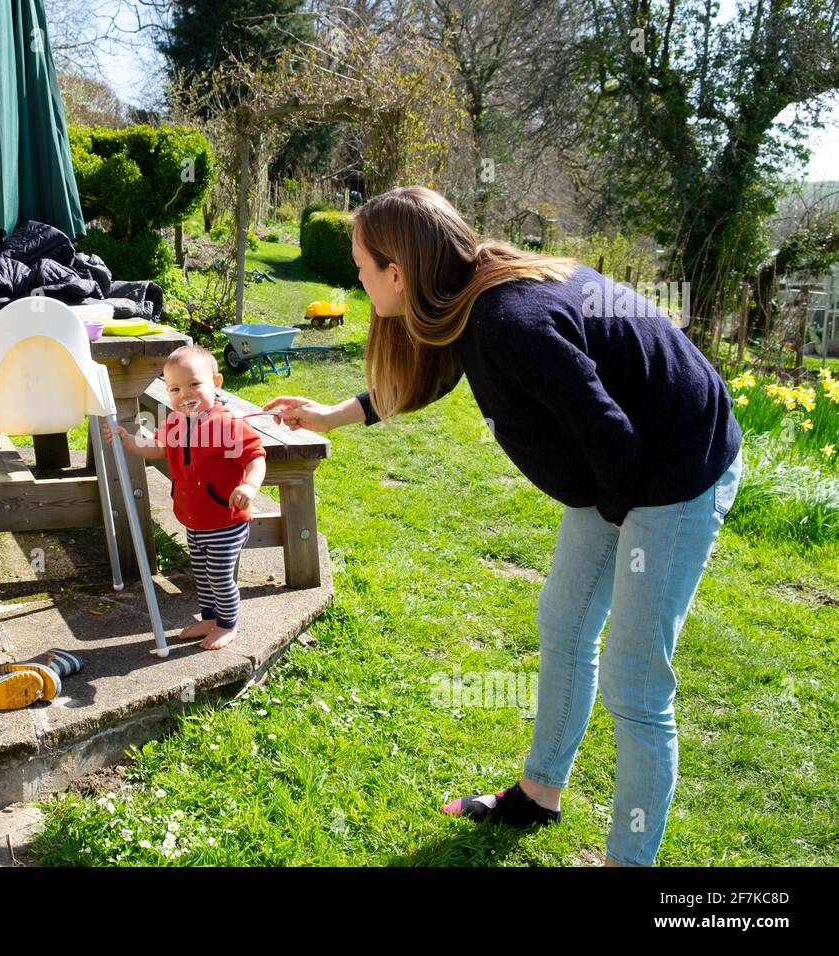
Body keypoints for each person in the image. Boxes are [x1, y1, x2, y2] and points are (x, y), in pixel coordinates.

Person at [264, 186, 742, 867]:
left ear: (397, 272)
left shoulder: (510, 318)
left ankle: (628, 861)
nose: (358, 277)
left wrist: (618, 524)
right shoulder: (469, 293)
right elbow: (436, 373)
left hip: (676, 468)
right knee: (566, 623)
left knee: (635, 680)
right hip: (627, 466)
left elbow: (614, 437)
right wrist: (333, 415)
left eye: (361, 264)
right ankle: (538, 795)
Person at [107, 345, 267, 650]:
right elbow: (157, 448)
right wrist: (129, 441)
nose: (185, 394)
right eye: (175, 388)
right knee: (203, 576)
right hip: (193, 519)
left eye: (194, 384)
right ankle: (209, 617)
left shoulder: (227, 422)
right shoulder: (175, 423)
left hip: (224, 520)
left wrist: (249, 486)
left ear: (216, 383)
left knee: (220, 577)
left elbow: (255, 457)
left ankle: (227, 624)